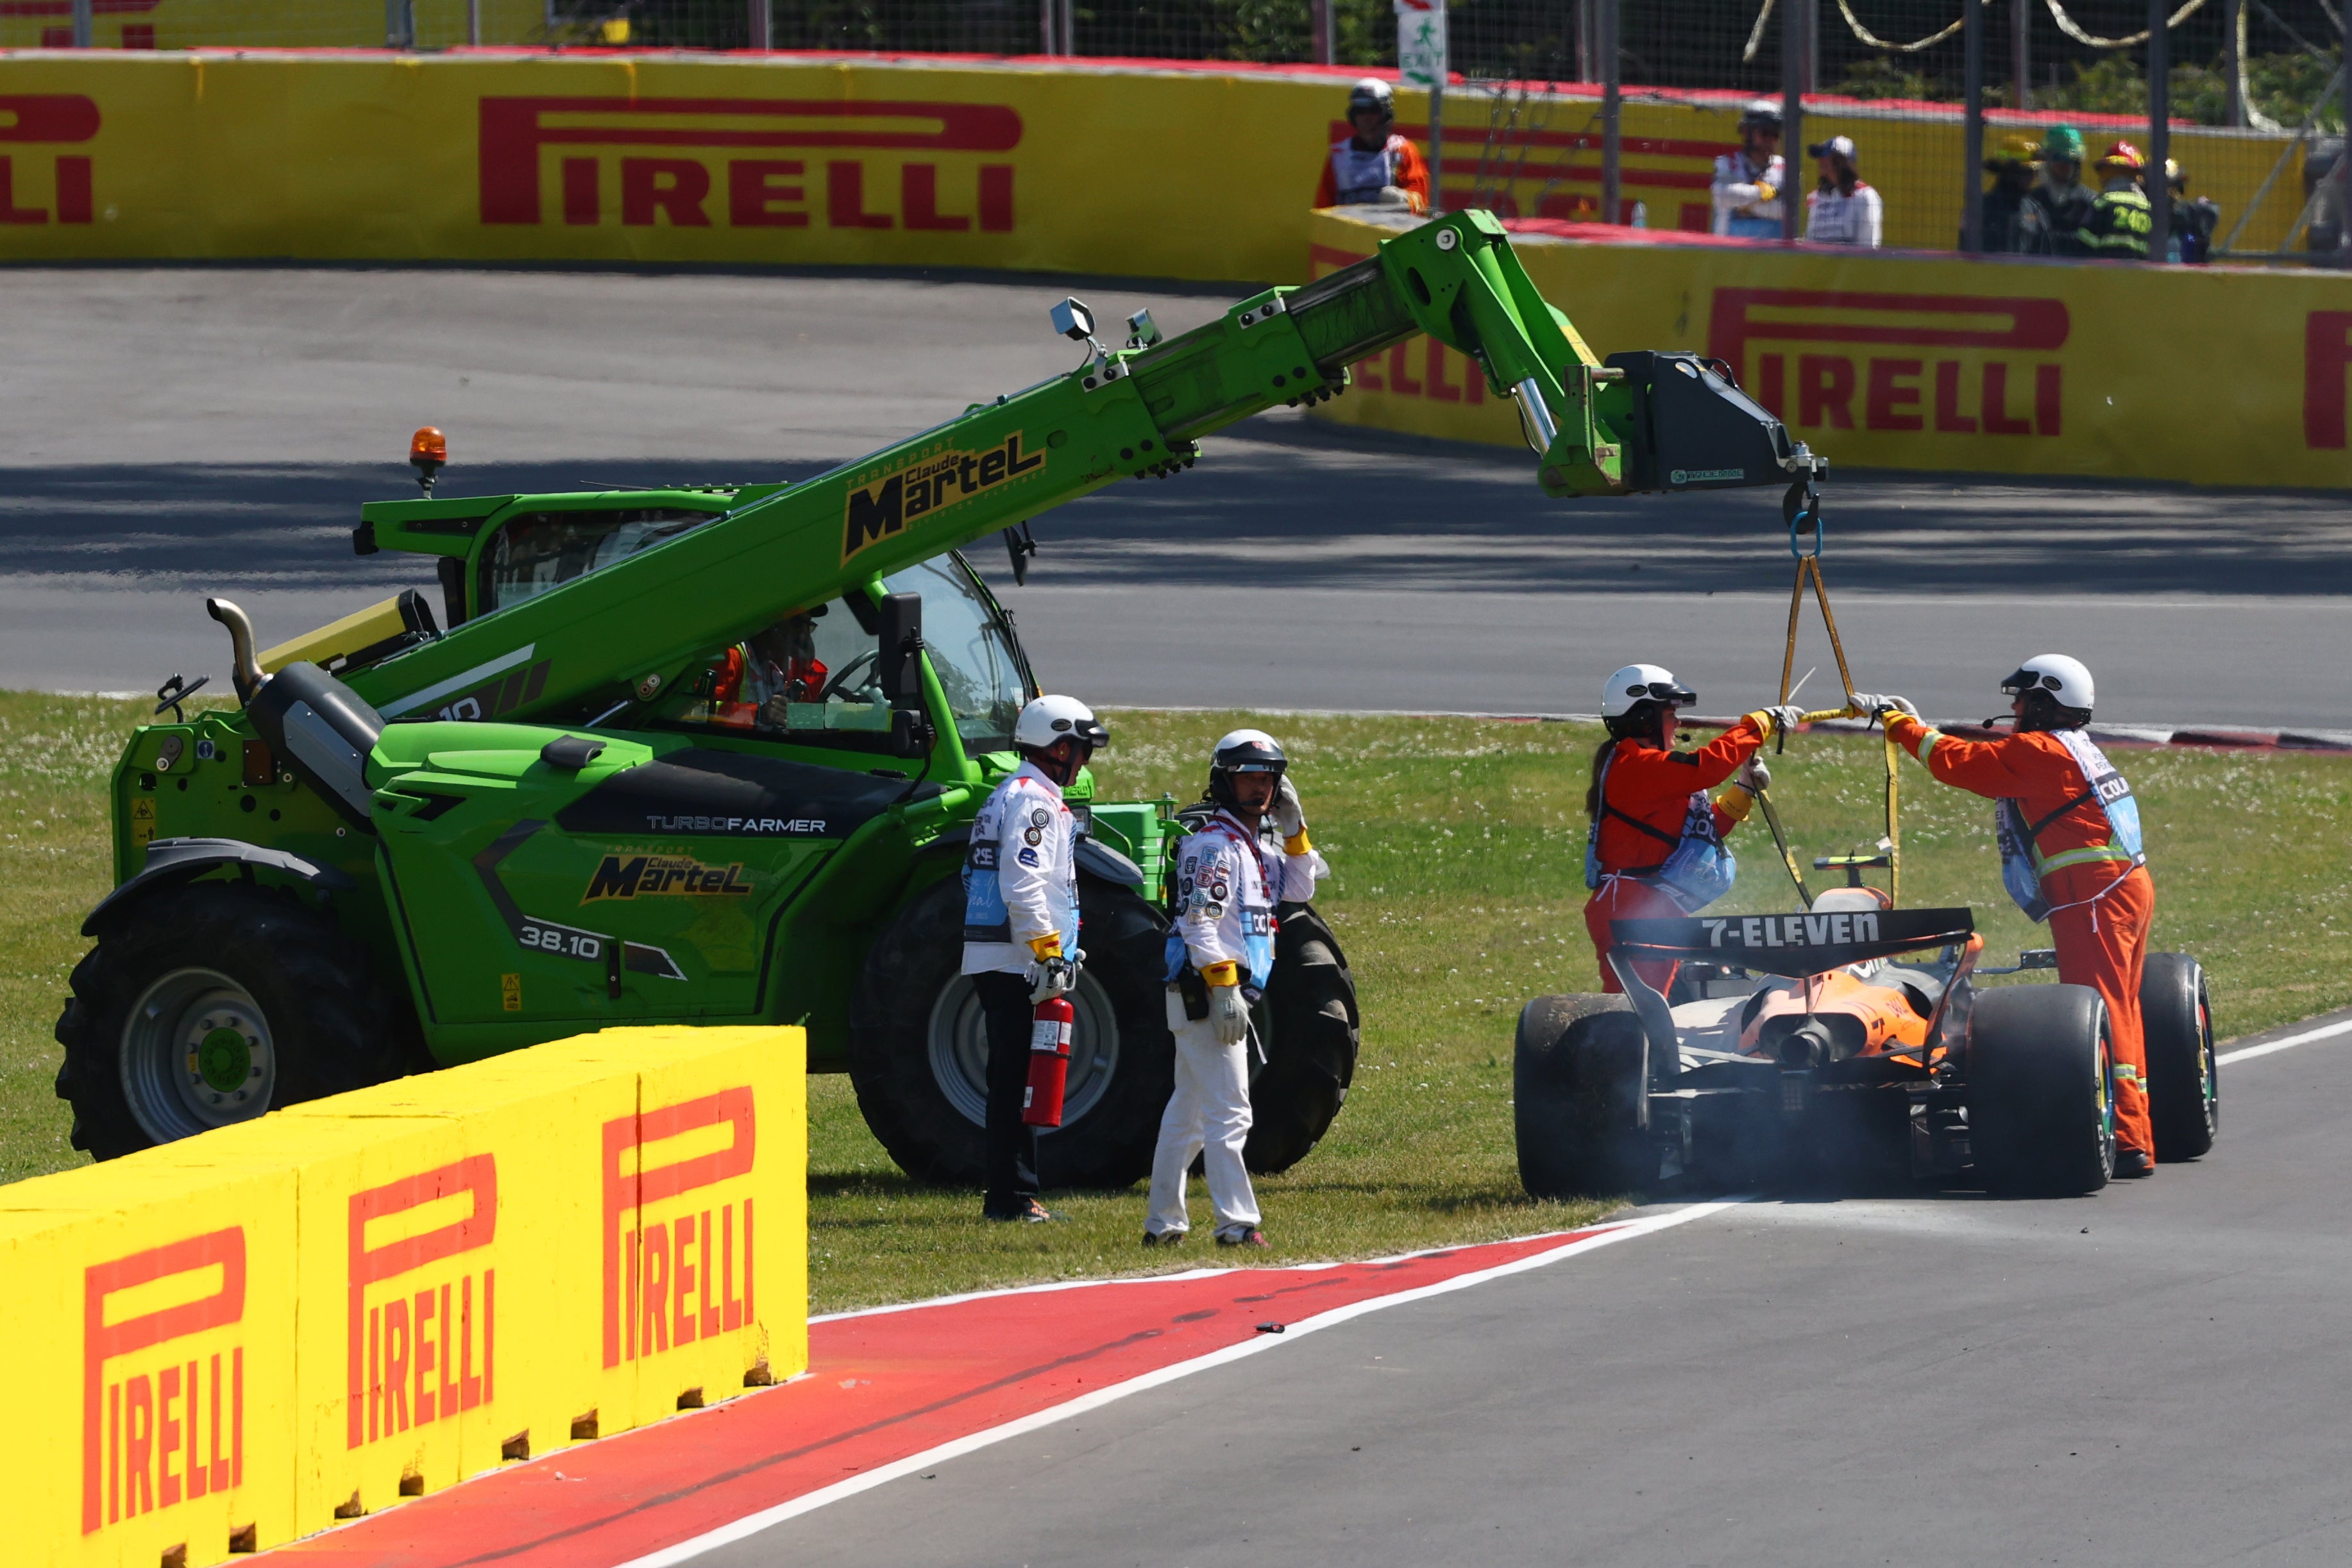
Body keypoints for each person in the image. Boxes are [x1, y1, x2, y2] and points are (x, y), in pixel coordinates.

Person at [1863, 658, 2158, 1177]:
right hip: (2119, 889)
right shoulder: (2070, 748)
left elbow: (1961, 764)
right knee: (2122, 1011)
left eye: (2021, 700)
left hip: (2092, 898)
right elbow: (1986, 756)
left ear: (2046, 701)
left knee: (2103, 1014)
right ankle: (2134, 1133)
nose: (2015, 709)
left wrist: (1903, 728)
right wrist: (1922, 726)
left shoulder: (2039, 750)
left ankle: (2126, 1139)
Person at [1146, 730, 1327, 1249]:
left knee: (1189, 1114)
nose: (1258, 789)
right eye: (1247, 777)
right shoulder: (1211, 847)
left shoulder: (1254, 848)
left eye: (1267, 779)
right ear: (1223, 780)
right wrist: (1224, 989)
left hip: (1220, 995)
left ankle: (1163, 1224)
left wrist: (1295, 829)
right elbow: (1198, 925)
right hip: (1208, 994)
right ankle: (1236, 1225)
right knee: (1231, 1112)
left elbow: (1298, 888)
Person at [961, 693, 1110, 1222]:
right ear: (1057, 747)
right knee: (1018, 1083)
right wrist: (1047, 954)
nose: (1083, 762)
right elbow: (1022, 883)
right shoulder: (1035, 802)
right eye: (1079, 750)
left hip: (1002, 955)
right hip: (1017, 963)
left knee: (1014, 1080)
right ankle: (1010, 1198)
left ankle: (1013, 1193)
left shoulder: (1010, 793)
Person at [1582, 665, 1800, 995]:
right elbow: (1707, 767)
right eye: (1671, 714)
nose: (1677, 723)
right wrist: (1758, 725)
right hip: (1632, 910)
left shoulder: (1646, 768)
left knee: (1646, 1008)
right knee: (1632, 1012)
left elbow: (1701, 835)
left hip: (1647, 907)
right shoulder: (1636, 767)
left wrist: (1744, 788)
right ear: (1645, 718)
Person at [1314, 78, 1430, 214]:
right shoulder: (1339, 155)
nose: (1366, 118)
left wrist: (1403, 199)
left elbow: (1421, 202)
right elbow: (1323, 209)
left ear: (1386, 114)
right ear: (1353, 116)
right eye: (1360, 111)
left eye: (1374, 110)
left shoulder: (1402, 151)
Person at [1713, 99, 1788, 239]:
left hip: (1772, 255)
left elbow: (1785, 210)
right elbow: (1721, 197)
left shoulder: (1785, 169)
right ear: (1746, 132)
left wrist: (1742, 204)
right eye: (1765, 133)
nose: (1771, 140)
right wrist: (1763, 193)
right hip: (1728, 252)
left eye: (1776, 134)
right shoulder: (1727, 163)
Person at [2017, 124, 2095, 257]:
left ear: (2077, 162)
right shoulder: (2032, 201)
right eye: (2057, 157)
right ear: (2047, 160)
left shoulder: (2090, 201)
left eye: (2069, 158)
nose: (2063, 165)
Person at [2075, 141, 2153, 261]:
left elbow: (2083, 248)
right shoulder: (2148, 209)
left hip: (2105, 277)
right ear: (2138, 174)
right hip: (2141, 277)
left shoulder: (2101, 204)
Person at [1802, 135, 1883, 248]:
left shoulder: (1865, 196)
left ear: (1840, 160)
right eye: (1819, 156)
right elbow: (1809, 241)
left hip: (1850, 264)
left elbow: (1869, 246)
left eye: (1825, 155)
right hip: (1817, 264)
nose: (1820, 160)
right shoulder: (1815, 197)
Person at [1980, 137, 2040, 254]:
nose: (2033, 177)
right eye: (2027, 171)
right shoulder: (1985, 208)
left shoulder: (2033, 208)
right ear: (2011, 172)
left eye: (2034, 172)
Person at [2163, 160, 2221, 264]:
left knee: (2190, 239)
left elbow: (2211, 213)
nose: (2172, 192)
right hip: (2150, 264)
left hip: (2185, 267)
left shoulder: (2187, 211)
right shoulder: (2145, 209)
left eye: (2175, 186)